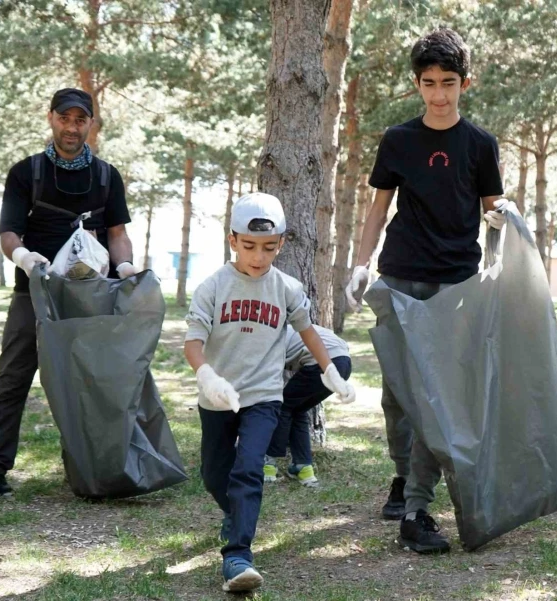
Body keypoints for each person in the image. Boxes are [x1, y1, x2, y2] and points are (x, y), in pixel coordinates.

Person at [345, 28, 507, 554]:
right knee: (398, 393)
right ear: (417, 84)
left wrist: (497, 262)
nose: (439, 94)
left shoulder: (480, 144)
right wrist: (361, 263)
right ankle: (402, 478)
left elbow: (493, 214)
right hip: (399, 274)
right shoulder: (398, 140)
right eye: (430, 83)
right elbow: (378, 207)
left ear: (465, 83)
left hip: (455, 282)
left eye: (449, 83)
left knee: (435, 396)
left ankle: (418, 500)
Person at [0, 88, 137, 504]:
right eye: (65, 118)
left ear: (91, 124)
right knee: (12, 379)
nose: (72, 127)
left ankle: (98, 470)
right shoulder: (27, 172)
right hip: (34, 292)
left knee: (92, 385)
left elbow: (117, 234)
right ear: (51, 119)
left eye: (81, 120)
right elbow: (8, 232)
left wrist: (127, 267)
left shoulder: (106, 176)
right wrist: (23, 257)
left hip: (90, 297)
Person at [184, 192, 355, 593]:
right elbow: (192, 342)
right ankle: (237, 516)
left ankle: (237, 556)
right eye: (249, 246)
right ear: (232, 241)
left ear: (281, 243)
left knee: (249, 467)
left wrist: (330, 370)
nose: (259, 257)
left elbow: (307, 330)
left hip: (264, 396)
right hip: (218, 396)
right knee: (215, 476)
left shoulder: (287, 288)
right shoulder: (212, 288)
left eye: (269, 247)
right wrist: (207, 376)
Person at [264, 324, 352, 487]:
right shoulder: (291, 329)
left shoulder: (268, 337)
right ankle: (303, 467)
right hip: (344, 363)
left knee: (282, 406)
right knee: (298, 409)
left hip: (324, 363)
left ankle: (268, 464)